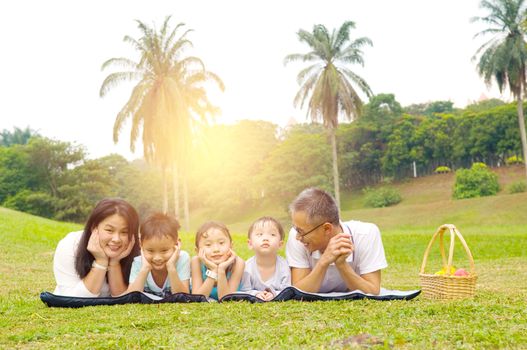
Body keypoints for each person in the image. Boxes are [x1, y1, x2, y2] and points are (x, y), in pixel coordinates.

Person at [286, 188, 387, 295]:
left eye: (301, 232)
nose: (298, 236)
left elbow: (372, 291)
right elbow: (298, 291)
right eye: (296, 229)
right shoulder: (296, 237)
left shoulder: (366, 234)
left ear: (327, 229)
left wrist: (342, 264)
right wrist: (324, 261)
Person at [53, 198, 140, 297]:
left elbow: (123, 299)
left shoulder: (141, 252)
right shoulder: (69, 245)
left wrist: (114, 263)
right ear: (94, 227)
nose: (116, 239)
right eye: (109, 230)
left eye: (124, 232)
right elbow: (73, 298)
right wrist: (101, 262)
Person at [126, 213, 190, 297]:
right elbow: (130, 299)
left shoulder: (182, 258)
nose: (157, 258)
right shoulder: (138, 263)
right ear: (141, 245)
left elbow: (184, 298)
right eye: (150, 251)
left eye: (164, 250)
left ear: (177, 244)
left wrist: (171, 267)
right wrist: (145, 269)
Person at [240, 216, 291, 301]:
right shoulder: (247, 267)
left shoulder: (284, 266)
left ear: (280, 244)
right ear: (250, 244)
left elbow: (287, 290)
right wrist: (256, 294)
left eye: (272, 235)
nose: (266, 238)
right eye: (259, 234)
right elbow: (245, 290)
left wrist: (273, 294)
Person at [190, 221, 244, 300]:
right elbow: (197, 299)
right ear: (198, 251)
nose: (216, 249)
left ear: (231, 246)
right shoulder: (196, 262)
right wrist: (213, 270)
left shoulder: (238, 263)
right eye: (208, 245)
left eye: (221, 243)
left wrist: (221, 270)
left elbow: (226, 299)